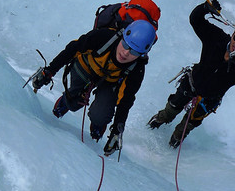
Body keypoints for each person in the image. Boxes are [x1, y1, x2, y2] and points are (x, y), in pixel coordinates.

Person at [147, 0, 235, 148]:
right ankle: (149, 129)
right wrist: (205, 8)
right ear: (233, 34)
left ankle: (169, 150)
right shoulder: (216, 38)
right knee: (169, 111)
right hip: (191, 84)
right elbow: (195, 19)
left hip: (208, 101)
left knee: (184, 129)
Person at [32, 19, 157, 156]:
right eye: (126, 45)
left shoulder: (136, 69)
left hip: (110, 81)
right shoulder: (104, 37)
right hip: (86, 67)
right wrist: (49, 71)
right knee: (74, 102)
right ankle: (67, 101)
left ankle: (98, 125)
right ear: (122, 37)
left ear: (142, 55)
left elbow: (125, 100)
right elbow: (73, 49)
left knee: (101, 114)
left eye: (134, 51)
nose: (126, 53)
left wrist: (117, 130)